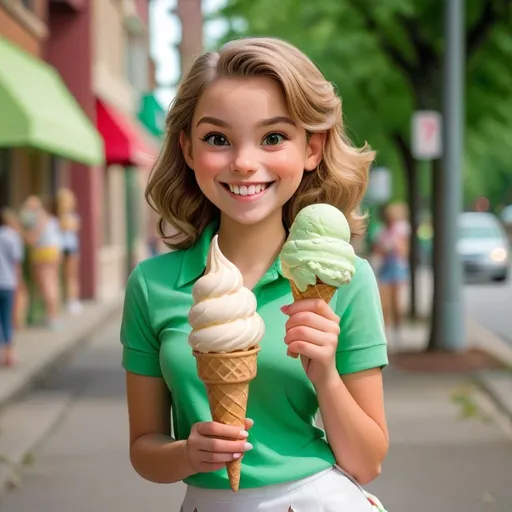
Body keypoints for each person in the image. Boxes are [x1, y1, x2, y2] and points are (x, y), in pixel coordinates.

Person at [121, 37, 389, 512]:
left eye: (273, 137)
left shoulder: (347, 279)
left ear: (312, 147)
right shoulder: (151, 285)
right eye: (218, 139)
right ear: (187, 148)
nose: (244, 161)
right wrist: (186, 453)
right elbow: (144, 450)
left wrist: (325, 373)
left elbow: (367, 463)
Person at [20, 196, 63, 330]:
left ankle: (52, 317)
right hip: (54, 252)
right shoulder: (50, 218)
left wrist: (21, 233)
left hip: (43, 253)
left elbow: (32, 239)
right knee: (53, 284)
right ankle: (52, 315)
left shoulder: (38, 219)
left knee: (47, 285)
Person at [373, 202, 410, 342]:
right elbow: (378, 250)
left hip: (397, 267)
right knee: (384, 302)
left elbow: (403, 251)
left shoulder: (400, 230)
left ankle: (397, 331)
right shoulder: (381, 232)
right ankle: (386, 331)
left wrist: (393, 246)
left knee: (397, 301)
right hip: (386, 268)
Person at [0, 208, 24, 366]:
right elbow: (16, 261)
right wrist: (20, 282)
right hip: (8, 283)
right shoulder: (12, 236)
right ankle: (10, 355)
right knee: (7, 319)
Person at [56, 188, 82, 314]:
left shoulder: (72, 216)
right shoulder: (58, 217)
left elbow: (70, 227)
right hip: (60, 248)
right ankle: (62, 300)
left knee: (71, 276)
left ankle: (72, 300)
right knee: (60, 277)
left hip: (71, 248)